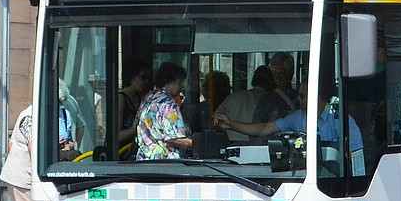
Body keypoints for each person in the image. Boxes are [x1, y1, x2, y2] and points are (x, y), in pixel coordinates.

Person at [214, 78, 364, 155]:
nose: (298, 100)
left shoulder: (340, 120)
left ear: (318, 96)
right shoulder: (297, 117)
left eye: (302, 96)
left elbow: (355, 155)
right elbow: (265, 129)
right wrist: (231, 124)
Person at [213, 65, 292, 142]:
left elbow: (213, 123)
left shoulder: (234, 97)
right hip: (259, 147)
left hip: (230, 146)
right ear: (273, 82)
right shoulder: (272, 100)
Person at [135, 62, 193, 160]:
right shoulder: (168, 104)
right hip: (164, 162)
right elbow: (173, 138)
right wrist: (194, 143)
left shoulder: (148, 98)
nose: (182, 87)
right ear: (170, 81)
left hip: (144, 159)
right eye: (180, 82)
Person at [118, 57, 151, 149]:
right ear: (132, 77)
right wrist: (137, 130)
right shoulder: (121, 98)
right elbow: (115, 136)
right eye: (143, 77)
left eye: (147, 78)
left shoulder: (140, 97)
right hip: (121, 151)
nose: (146, 81)